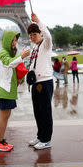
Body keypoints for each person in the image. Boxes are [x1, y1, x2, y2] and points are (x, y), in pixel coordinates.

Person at [0, 31, 30, 152]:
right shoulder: (3, 53)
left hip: (8, 90)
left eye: (15, 40)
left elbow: (11, 69)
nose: (14, 43)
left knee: (6, 116)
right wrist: (22, 56)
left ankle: (1, 140)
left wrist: (19, 79)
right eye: (12, 40)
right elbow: (9, 63)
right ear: (7, 41)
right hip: (4, 90)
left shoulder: (8, 53)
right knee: (3, 117)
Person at [27, 13, 54, 150]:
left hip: (45, 82)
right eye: (30, 35)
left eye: (35, 34)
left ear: (40, 34)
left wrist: (38, 21)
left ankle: (46, 139)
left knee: (45, 112)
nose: (32, 37)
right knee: (38, 112)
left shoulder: (46, 45)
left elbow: (48, 35)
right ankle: (40, 135)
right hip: (36, 83)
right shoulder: (35, 48)